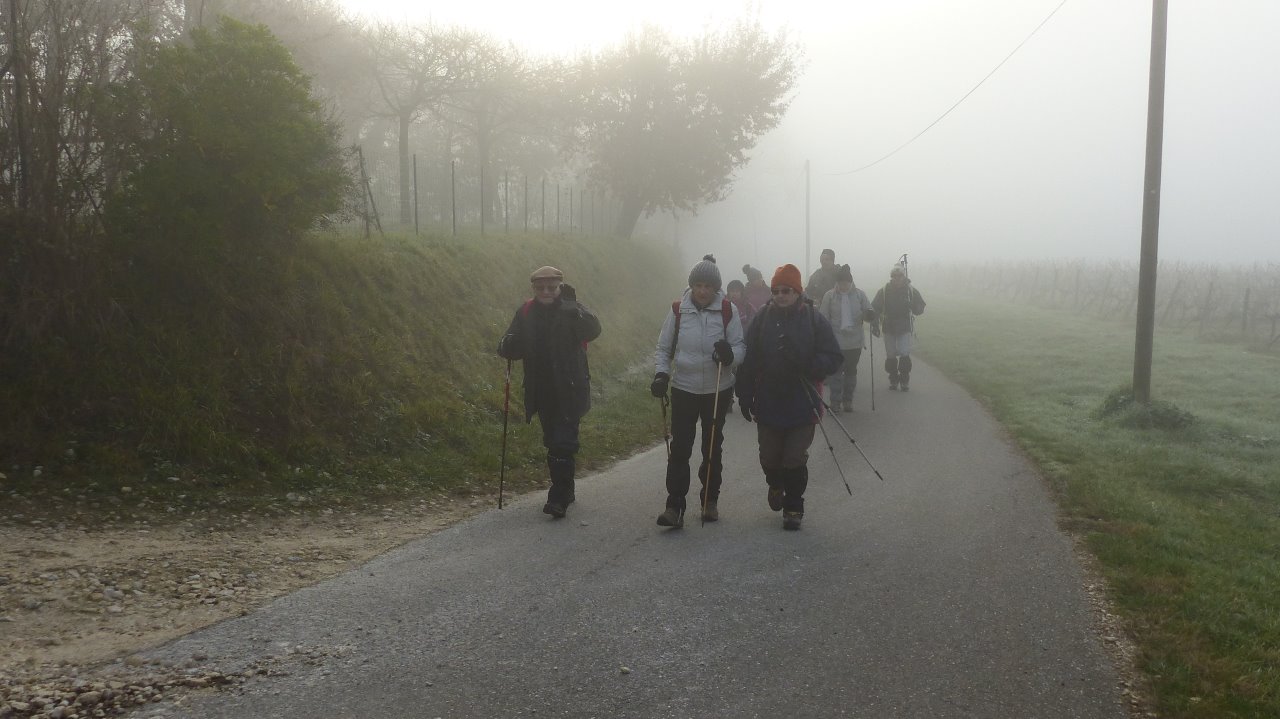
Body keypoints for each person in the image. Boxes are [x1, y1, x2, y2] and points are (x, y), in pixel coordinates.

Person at [735, 263, 843, 531]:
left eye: (787, 290)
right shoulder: (762, 319)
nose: (781, 295)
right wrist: (744, 394)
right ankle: (775, 483)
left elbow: (834, 357)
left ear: (798, 292)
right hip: (769, 399)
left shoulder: (814, 320)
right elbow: (748, 360)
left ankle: (794, 505)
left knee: (794, 457)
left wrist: (808, 364)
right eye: (776, 291)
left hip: (803, 400)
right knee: (769, 457)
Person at [497, 266, 602, 518]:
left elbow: (594, 331)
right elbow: (509, 344)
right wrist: (508, 345)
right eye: (540, 288)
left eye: (551, 288)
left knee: (563, 442)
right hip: (541, 389)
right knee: (552, 440)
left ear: (559, 287)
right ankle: (567, 488)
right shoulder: (525, 312)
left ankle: (558, 497)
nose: (546, 292)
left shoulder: (572, 309)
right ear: (533, 289)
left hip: (570, 386)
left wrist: (574, 310)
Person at [651, 255, 746, 528]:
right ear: (691, 285)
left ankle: (710, 501)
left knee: (712, 447)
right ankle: (674, 506)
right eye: (698, 285)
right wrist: (661, 374)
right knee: (680, 448)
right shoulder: (678, 310)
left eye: (708, 286)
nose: (702, 291)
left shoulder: (728, 310)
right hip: (684, 388)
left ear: (716, 288)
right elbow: (663, 348)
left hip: (718, 388)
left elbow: (740, 347)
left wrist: (730, 356)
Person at [818, 264, 875, 413]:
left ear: (850, 282)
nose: (843, 285)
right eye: (841, 282)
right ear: (837, 282)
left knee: (851, 371)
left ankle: (848, 400)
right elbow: (823, 317)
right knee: (836, 372)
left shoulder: (859, 295)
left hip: (855, 341)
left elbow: (869, 311)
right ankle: (835, 402)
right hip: (836, 340)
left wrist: (869, 315)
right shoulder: (829, 296)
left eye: (846, 282)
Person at [871, 264, 926, 391]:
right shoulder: (884, 290)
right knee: (890, 355)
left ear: (903, 276)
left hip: (904, 327)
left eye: (900, 276)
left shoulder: (910, 290)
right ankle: (893, 378)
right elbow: (875, 307)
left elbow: (920, 308)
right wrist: (874, 323)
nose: (897, 278)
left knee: (904, 353)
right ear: (891, 277)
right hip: (888, 326)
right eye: (894, 276)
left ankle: (905, 379)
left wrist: (912, 304)